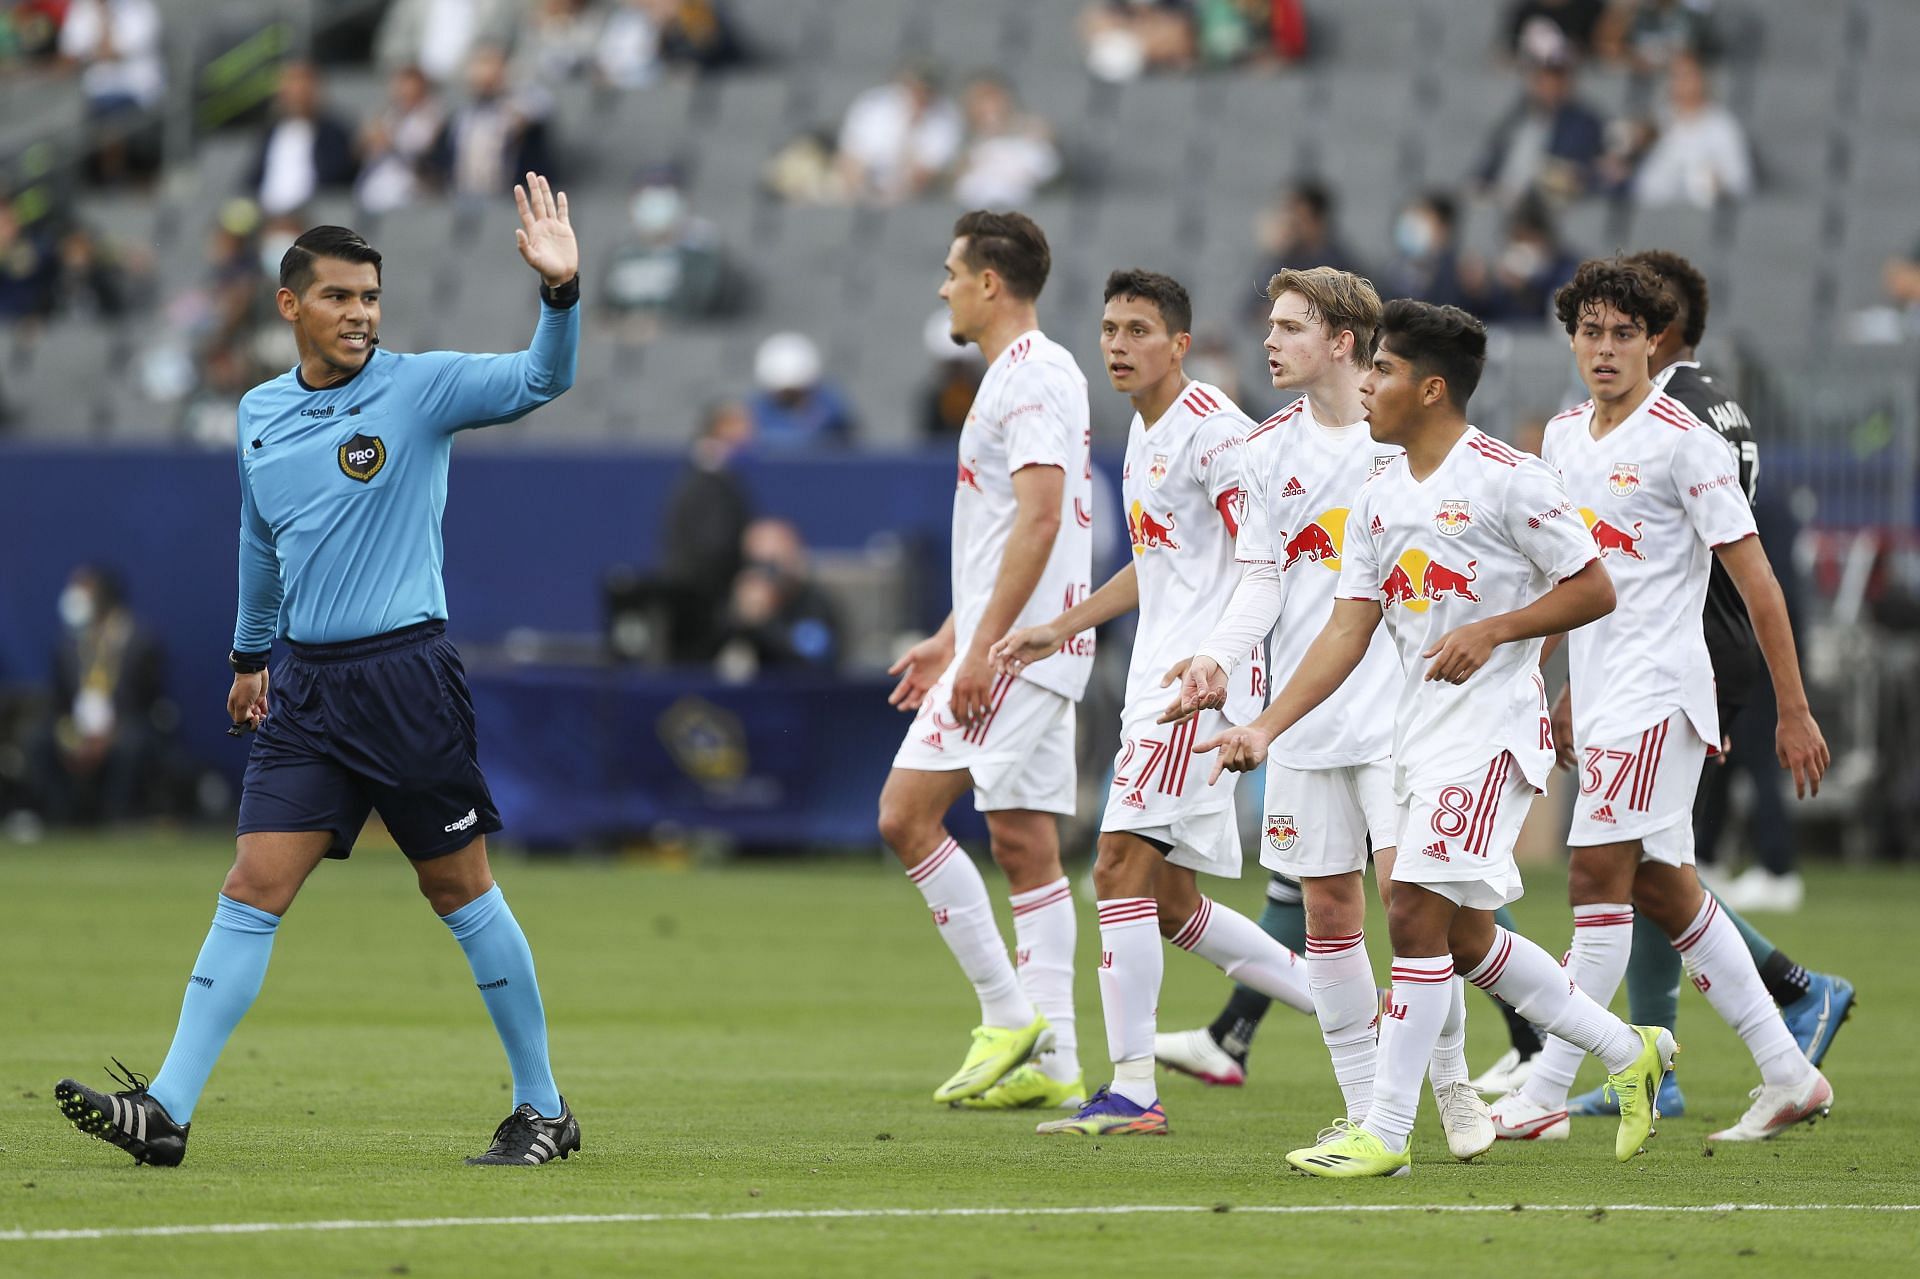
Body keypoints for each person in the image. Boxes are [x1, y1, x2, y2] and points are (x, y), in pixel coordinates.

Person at [54, 173, 583, 1168]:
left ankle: (544, 1106)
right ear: (291, 305)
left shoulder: (417, 387)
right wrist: (251, 656)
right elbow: (262, 542)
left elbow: (537, 382)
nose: (361, 314)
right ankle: (166, 1105)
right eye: (340, 296)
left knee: (458, 889)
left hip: (404, 677)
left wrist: (559, 295)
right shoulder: (258, 411)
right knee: (253, 883)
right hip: (305, 686)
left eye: (372, 296)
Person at [1198, 298, 1673, 1178]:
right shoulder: (1379, 495)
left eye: (1381, 370)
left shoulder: (1508, 479)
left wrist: (1498, 630)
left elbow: (1597, 588)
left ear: (1431, 387)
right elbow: (1346, 631)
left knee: (1411, 910)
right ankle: (1626, 1047)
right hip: (1418, 735)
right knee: (1458, 939)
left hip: (1491, 734)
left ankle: (1383, 1128)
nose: (1368, 385)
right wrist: (1263, 726)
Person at [1474, 248, 1855, 1115]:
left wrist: (1793, 708)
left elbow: (1757, 582)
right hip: (1606, 691)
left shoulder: (1687, 442)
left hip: (1663, 692)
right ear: (1571, 338)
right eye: (1590, 331)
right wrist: (1562, 687)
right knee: (1661, 887)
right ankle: (1790, 1072)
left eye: (1624, 332)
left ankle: (1544, 1090)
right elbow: (1575, 578)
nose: (1605, 347)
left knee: (1593, 879)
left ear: (1655, 341)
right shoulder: (1566, 436)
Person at [1157, 267, 1496, 1164]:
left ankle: (1454, 1085)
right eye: (1269, 324)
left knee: (1412, 910)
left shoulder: (1406, 447)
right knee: (1329, 917)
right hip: (1302, 721)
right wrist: (1218, 660)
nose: (1269, 340)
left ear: (1344, 343)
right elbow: (1260, 580)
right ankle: (1362, 1112)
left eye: (1290, 325)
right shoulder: (1263, 450)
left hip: (1401, 717)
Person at [988, 269, 1307, 1132]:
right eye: (1110, 329)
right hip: (1160, 679)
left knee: (1117, 870)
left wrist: (1218, 662)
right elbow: (1160, 561)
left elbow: (1261, 565)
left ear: (1180, 343)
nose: (1118, 345)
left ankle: (1132, 1090)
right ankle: (1362, 1012)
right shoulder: (1143, 432)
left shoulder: (1215, 435)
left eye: (1137, 330)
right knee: (1166, 903)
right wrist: (1064, 624)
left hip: (1193, 690)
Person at [877, 210, 1092, 1109]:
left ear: (990, 283)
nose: (944, 286)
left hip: (1019, 650)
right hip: (1022, 640)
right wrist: (948, 633)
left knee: (906, 815)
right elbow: (1008, 531)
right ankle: (1057, 1065)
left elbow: (1042, 519)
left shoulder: (1031, 376)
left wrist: (981, 651)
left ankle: (1008, 1011)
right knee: (1025, 843)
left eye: (952, 271)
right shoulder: (1023, 374)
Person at [28, 565, 167, 825]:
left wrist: (107, 735)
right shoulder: (67, 645)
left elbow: (147, 701)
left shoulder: (139, 640)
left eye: (84, 589)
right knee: (40, 741)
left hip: (122, 725)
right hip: (75, 726)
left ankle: (116, 818)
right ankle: (61, 819)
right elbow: (60, 702)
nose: (75, 597)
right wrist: (70, 732)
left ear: (103, 594)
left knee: (131, 745)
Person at [1474, 49, 1608, 205]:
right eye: (1544, 79)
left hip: (1544, 206)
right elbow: (1491, 160)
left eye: (1558, 80)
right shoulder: (1517, 115)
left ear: (1569, 84)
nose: (1550, 88)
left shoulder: (1585, 124)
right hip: (1500, 198)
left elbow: (1583, 173)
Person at [1630, 51, 1752, 209]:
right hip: (1654, 214)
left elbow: (1741, 181)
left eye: (1688, 75)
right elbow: (1640, 181)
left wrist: (1720, 184)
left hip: (1705, 217)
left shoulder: (1723, 126)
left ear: (1703, 79)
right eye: (1675, 76)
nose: (1681, 82)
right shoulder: (1654, 123)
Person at [835, 62, 964, 207]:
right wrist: (863, 196)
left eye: (926, 90)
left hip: (915, 198)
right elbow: (851, 160)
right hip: (862, 190)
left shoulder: (947, 117)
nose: (919, 94)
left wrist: (891, 198)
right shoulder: (872, 106)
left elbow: (924, 175)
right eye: (914, 88)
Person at [248, 60, 360, 218]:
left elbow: (337, 177)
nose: (296, 95)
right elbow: (254, 178)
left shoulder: (334, 133)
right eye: (290, 88)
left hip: (309, 216)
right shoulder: (270, 132)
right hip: (266, 215)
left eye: (302, 89)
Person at [746, 332, 856, 449]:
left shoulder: (830, 407)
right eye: (784, 392)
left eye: (793, 392)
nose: (787, 396)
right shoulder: (757, 410)